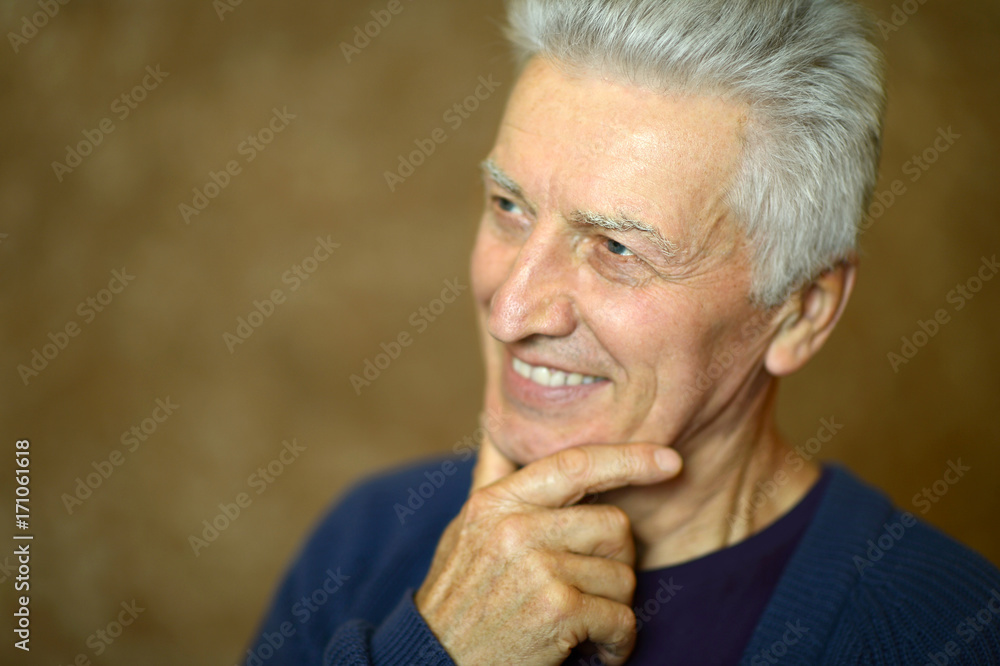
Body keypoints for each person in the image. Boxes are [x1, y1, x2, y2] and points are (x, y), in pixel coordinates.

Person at [245, 0, 1000, 664]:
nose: (511, 311)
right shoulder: (365, 542)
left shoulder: (951, 633)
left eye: (615, 248)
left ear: (801, 311)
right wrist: (435, 653)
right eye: (509, 207)